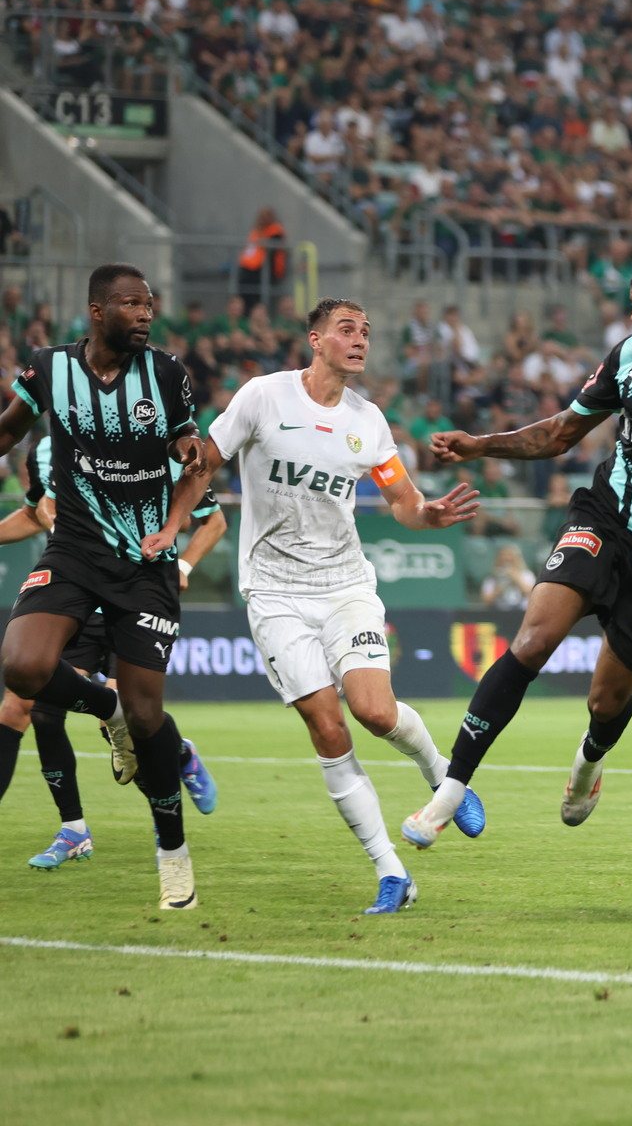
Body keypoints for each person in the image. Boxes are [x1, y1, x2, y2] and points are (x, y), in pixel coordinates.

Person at [402, 253, 632, 842]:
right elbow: (559, 434)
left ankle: (589, 763)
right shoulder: (627, 357)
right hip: (603, 517)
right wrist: (480, 444)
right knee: (532, 641)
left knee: (606, 701)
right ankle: (450, 790)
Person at [161, 298, 485, 915]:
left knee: (374, 712)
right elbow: (206, 463)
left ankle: (441, 773)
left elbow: (403, 502)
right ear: (315, 339)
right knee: (328, 728)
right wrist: (174, 527)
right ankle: (391, 872)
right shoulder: (263, 397)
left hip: (344, 586)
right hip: (275, 593)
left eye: (366, 332)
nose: (359, 340)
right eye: (346, 329)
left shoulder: (369, 422)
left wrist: (429, 514)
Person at [0, 263, 208, 910]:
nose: (145, 314)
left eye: (149, 304)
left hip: (145, 562)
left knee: (147, 717)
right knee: (21, 666)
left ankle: (172, 851)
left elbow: (193, 456)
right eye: (131, 304)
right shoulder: (49, 368)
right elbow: (9, 429)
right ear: (97, 310)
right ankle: (103, 708)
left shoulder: (168, 373)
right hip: (75, 549)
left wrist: (179, 496)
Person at [0, 433, 225, 869]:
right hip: (75, 598)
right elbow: (34, 513)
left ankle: (175, 767)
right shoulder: (45, 450)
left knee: (133, 723)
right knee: (38, 710)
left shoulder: (157, 444)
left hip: (135, 598)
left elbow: (211, 520)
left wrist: (183, 563)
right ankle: (73, 829)